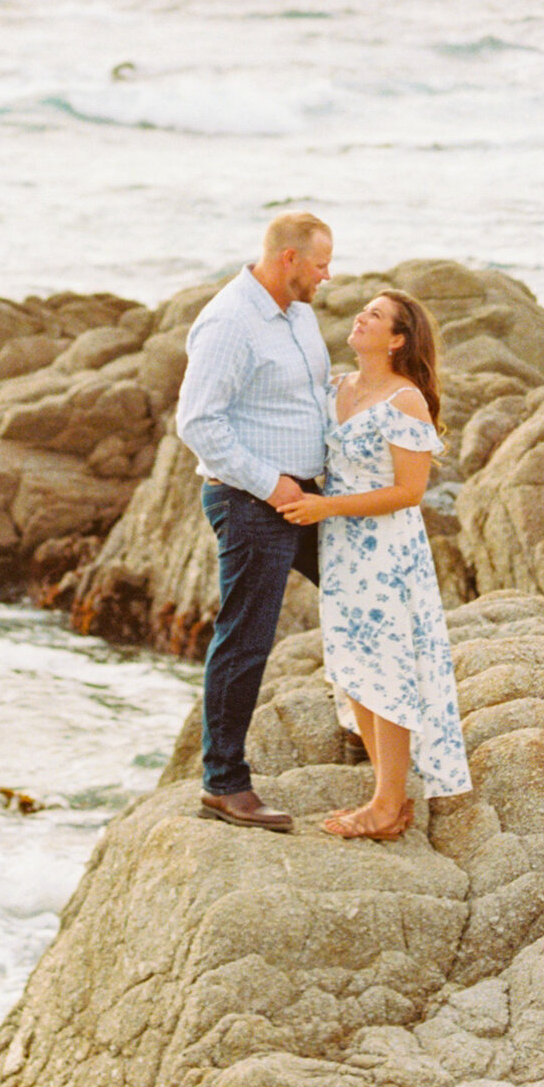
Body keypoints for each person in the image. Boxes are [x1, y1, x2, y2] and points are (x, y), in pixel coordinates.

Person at [279, 286, 473, 839]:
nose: (362, 317)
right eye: (364, 309)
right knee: (357, 671)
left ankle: (388, 806)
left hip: (388, 553)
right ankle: (387, 797)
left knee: (388, 670)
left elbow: (410, 492)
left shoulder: (404, 400)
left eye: (376, 315)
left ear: (397, 340)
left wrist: (325, 507)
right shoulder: (336, 388)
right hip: (341, 551)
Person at [175, 211, 336, 831]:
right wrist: (274, 486)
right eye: (321, 262)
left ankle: (366, 728)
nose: (329, 274)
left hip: (310, 498)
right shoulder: (230, 321)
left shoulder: (300, 313)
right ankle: (223, 784)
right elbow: (198, 423)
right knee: (246, 638)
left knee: (361, 597)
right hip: (252, 503)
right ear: (289, 258)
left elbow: (307, 396)